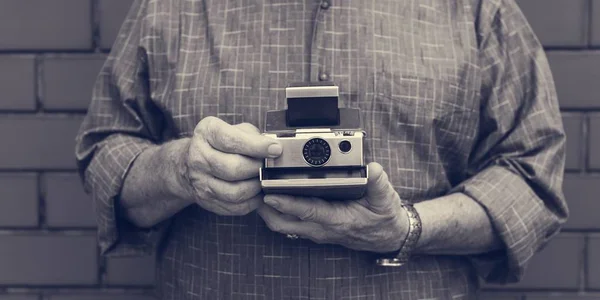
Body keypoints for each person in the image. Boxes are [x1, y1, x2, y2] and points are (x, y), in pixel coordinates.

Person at [75, 0, 568, 299]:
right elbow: (106, 153)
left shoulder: (477, 10)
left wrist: (407, 228)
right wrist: (179, 170)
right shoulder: (170, 8)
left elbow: (531, 175)